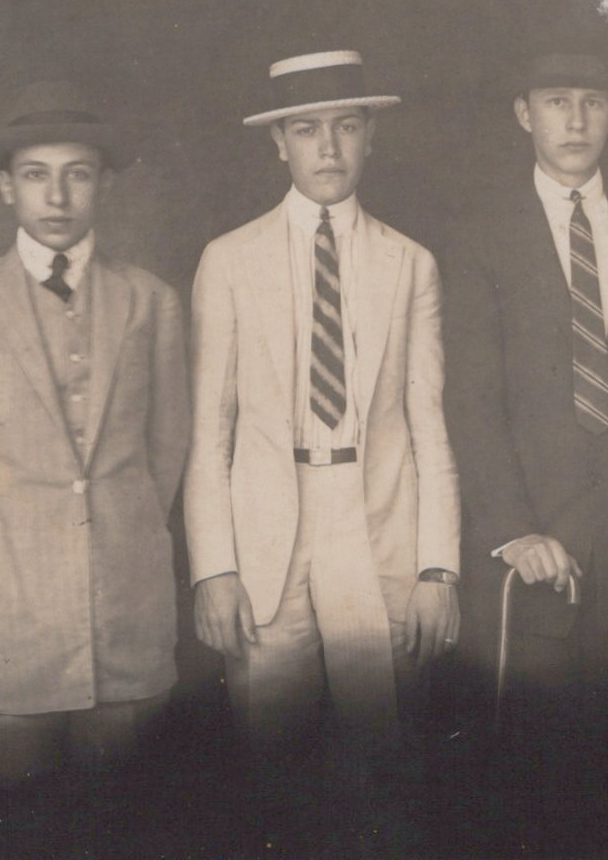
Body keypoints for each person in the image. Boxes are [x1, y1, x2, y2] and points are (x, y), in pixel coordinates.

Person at [0, 81, 190, 788]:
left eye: (76, 174)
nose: (56, 197)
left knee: (125, 814)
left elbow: (168, 448)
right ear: (6, 187)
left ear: (104, 184)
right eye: (35, 175)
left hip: (124, 615)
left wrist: (118, 534)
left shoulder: (152, 302)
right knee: (8, 817)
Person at [443, 50, 608, 849]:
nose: (576, 120)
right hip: (537, 548)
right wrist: (514, 530)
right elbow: (471, 403)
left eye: (592, 102)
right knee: (537, 772)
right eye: (557, 102)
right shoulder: (481, 237)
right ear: (525, 114)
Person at [185, 49, 459, 771]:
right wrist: (213, 568)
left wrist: (438, 570)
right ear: (280, 143)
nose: (328, 148)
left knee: (384, 751)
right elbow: (210, 433)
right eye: (307, 129)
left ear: (371, 135)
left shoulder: (410, 263)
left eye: (346, 126)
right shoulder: (228, 260)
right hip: (265, 539)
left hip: (377, 529)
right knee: (274, 757)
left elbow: (429, 426)